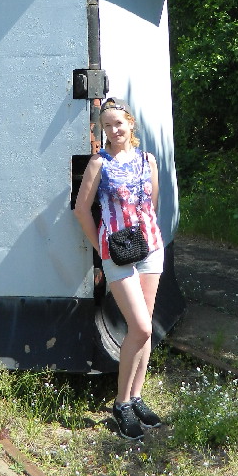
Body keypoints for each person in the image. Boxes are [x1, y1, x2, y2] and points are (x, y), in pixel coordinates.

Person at [73, 98, 164, 441]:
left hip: (150, 249)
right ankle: (121, 403)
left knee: (145, 330)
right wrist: (102, 250)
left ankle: (136, 397)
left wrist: (147, 234)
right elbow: (81, 210)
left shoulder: (148, 160)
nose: (113, 130)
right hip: (117, 253)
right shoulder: (100, 163)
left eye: (118, 123)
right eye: (107, 125)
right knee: (139, 327)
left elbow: (152, 203)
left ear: (130, 124)